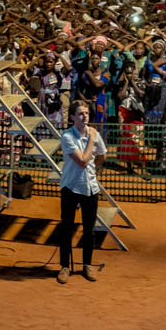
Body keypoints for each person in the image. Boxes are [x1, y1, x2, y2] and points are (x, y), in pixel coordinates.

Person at [55, 113, 106, 284]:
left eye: (86, 113)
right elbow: (83, 161)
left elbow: (102, 156)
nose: (84, 116)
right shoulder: (67, 136)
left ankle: (87, 265)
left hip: (90, 187)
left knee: (89, 229)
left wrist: (93, 162)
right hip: (70, 187)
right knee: (66, 227)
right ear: (73, 117)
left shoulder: (95, 134)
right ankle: (64, 266)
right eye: (80, 114)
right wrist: (91, 140)